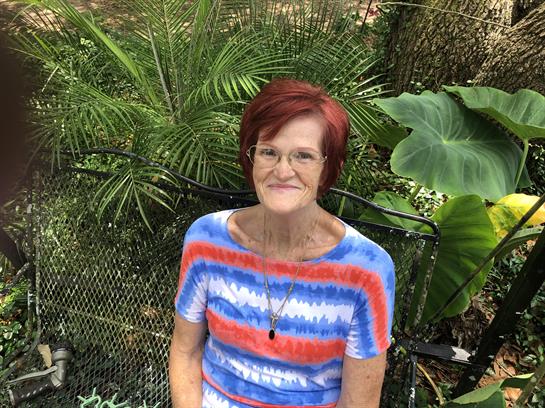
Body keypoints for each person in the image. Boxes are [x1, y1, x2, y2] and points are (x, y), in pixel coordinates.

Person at [169, 78, 395, 408]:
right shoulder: (207, 240)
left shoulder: (366, 271)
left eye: (303, 156)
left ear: (328, 167)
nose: (283, 170)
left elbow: (357, 402)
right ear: (251, 158)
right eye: (269, 152)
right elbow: (185, 352)